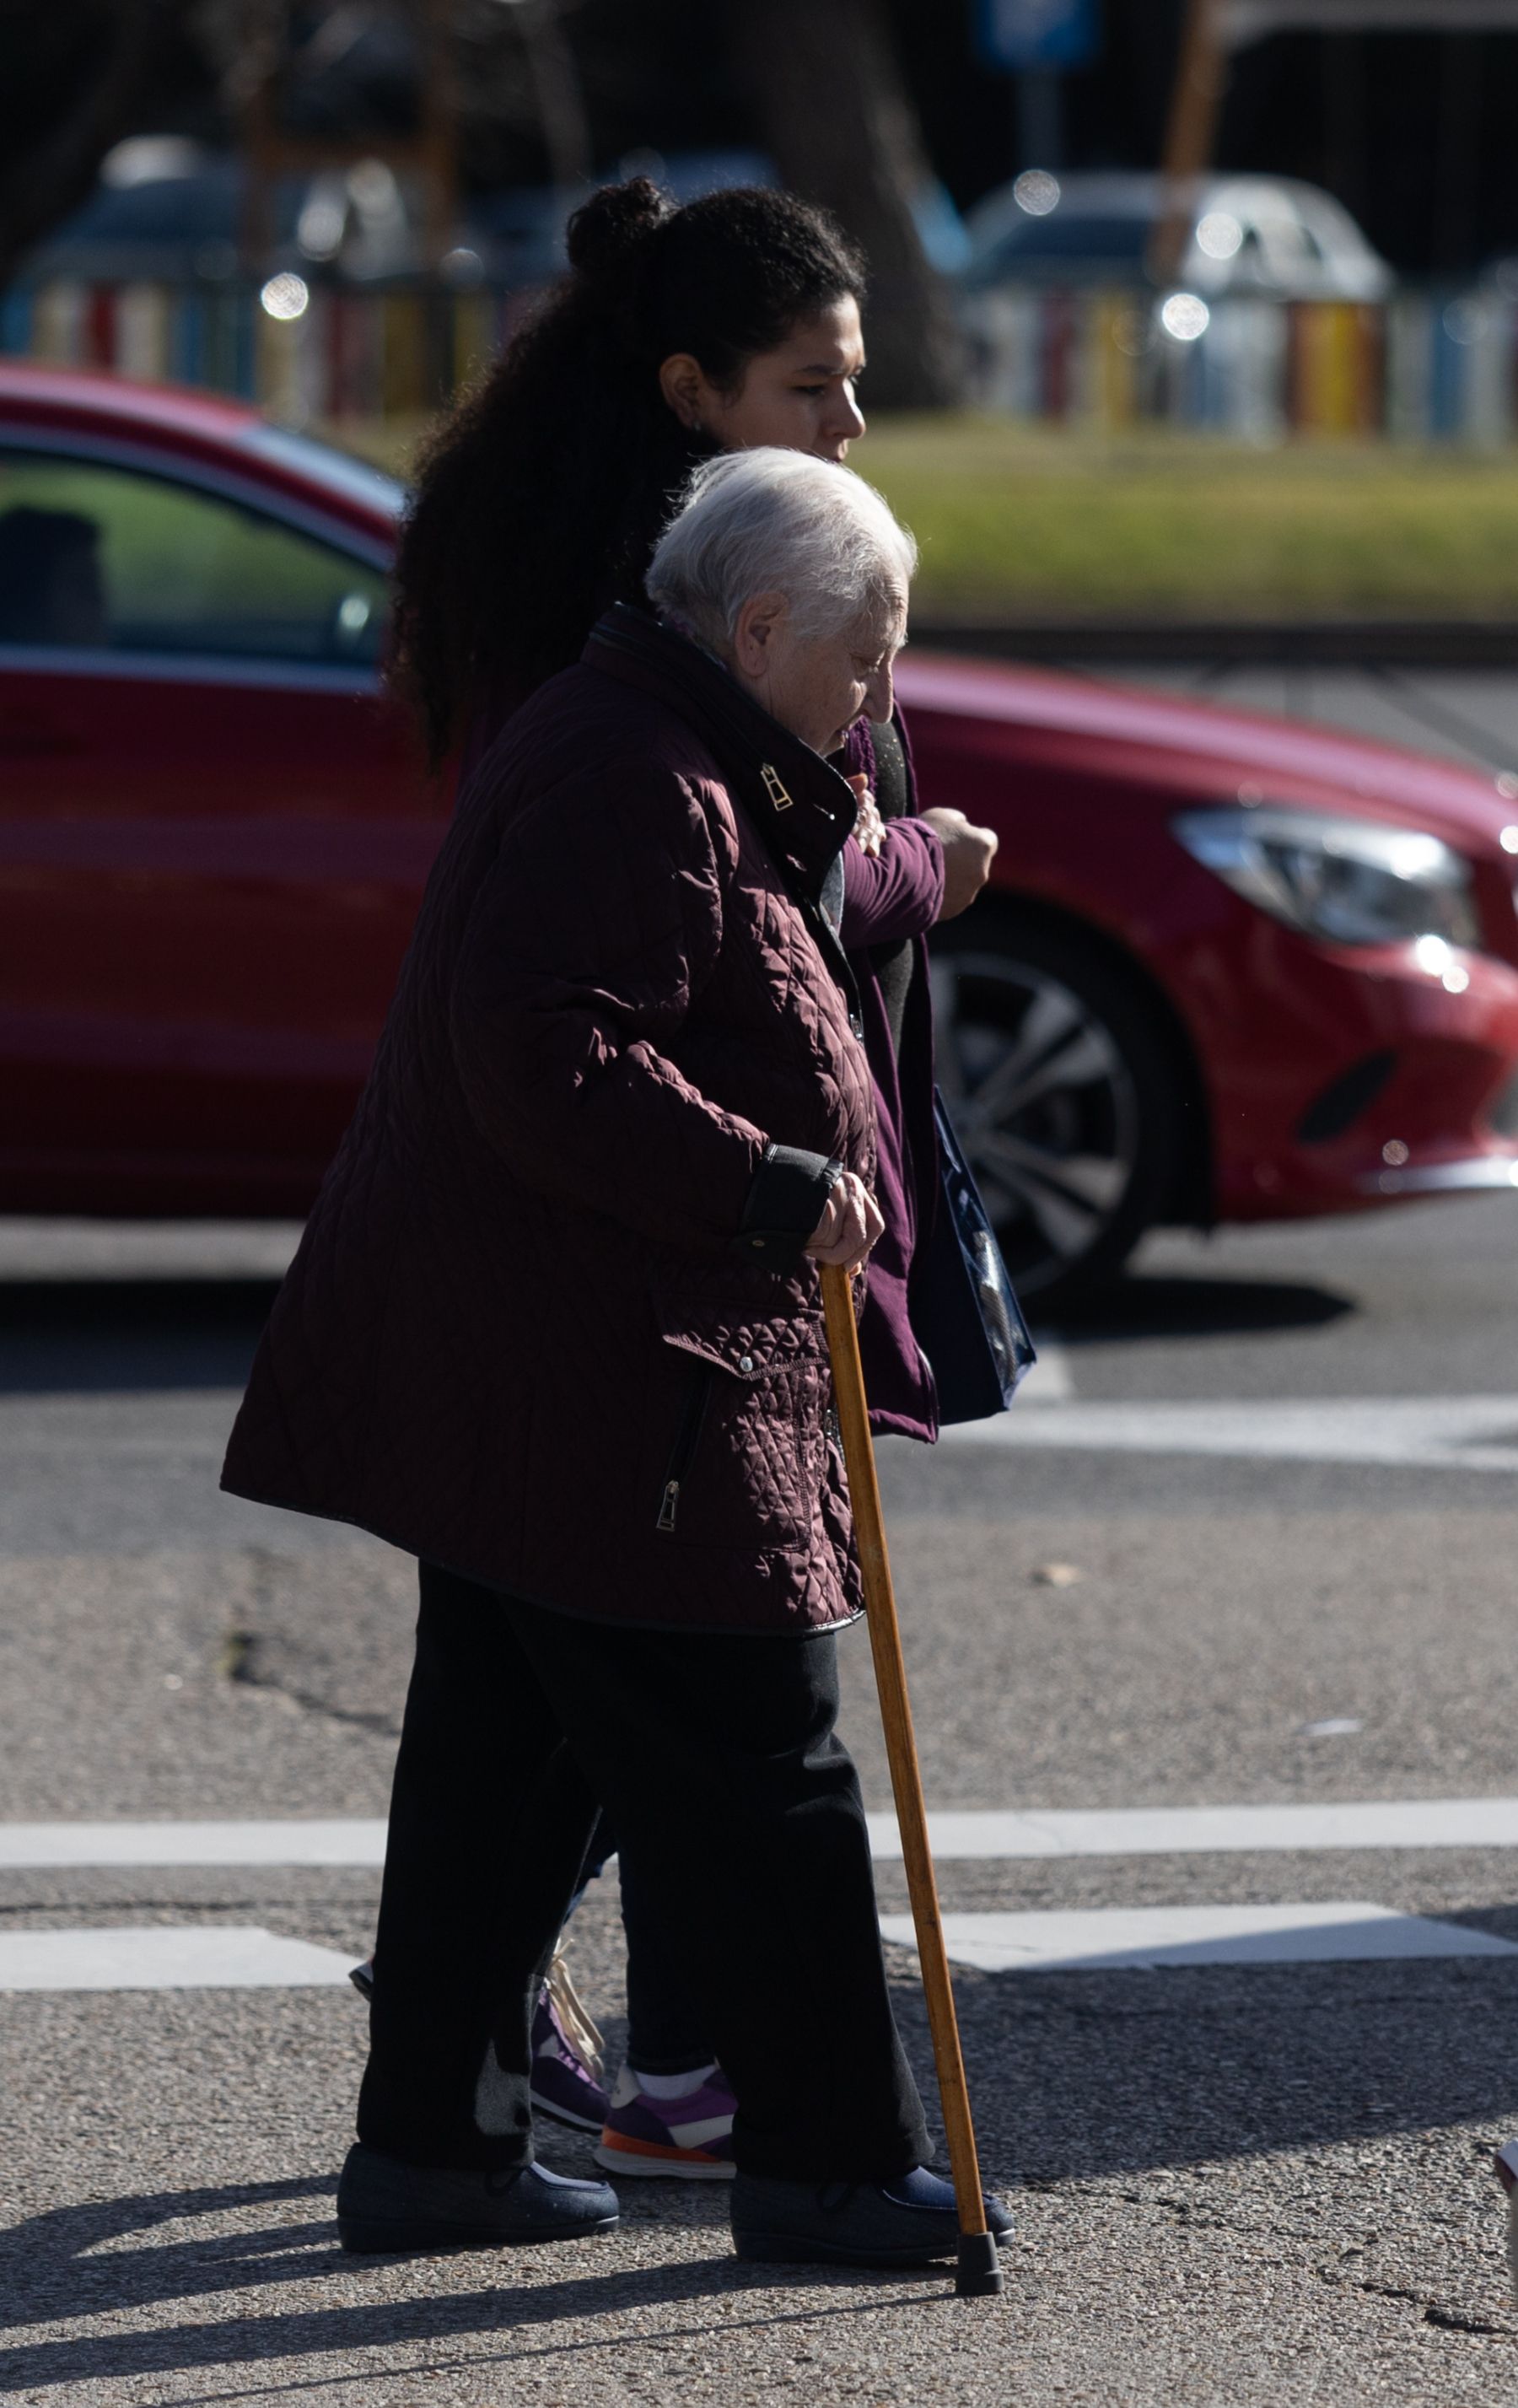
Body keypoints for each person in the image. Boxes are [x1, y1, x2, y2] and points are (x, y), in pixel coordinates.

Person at [222, 449, 1013, 2271]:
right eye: (868, 659)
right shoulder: (636, 774)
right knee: (769, 1765)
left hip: (540, 1366)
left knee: (504, 1776)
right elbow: (545, 1050)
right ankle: (820, 2169)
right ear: (758, 628)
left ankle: (439, 2153)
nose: (880, 699)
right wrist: (771, 1184)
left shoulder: (666, 743)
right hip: (612, 1373)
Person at [382, 176, 998, 2180]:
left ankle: (453, 2132)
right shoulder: (648, 678)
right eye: (812, 387)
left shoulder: (686, 612)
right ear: (689, 392)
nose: (847, 424)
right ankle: (768, 2123)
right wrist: (912, 883)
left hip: (617, 1272)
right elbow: (682, 959)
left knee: (528, 1718)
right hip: (639, 1287)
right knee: (735, 1726)